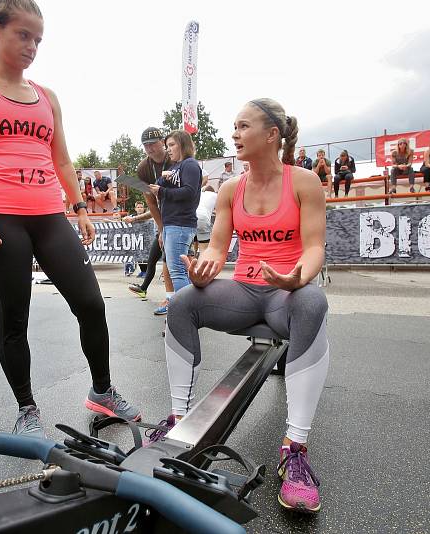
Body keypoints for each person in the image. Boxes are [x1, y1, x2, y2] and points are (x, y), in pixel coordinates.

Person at [0, 0, 141, 438]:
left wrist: (79, 208)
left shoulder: (47, 96)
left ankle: (103, 391)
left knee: (90, 303)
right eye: (23, 35)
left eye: (38, 39)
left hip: (49, 214)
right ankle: (27, 407)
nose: (32, 46)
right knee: (14, 318)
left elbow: (63, 160)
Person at [149, 98, 329, 513]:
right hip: (245, 292)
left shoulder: (303, 182)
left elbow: (316, 246)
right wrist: (202, 272)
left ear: (271, 135)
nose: (234, 134)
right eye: (233, 126)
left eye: (243, 126)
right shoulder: (231, 189)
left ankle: (295, 450)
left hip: (287, 294)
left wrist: (298, 277)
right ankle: (178, 419)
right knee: (182, 302)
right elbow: (216, 248)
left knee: (313, 302)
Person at [148, 130, 202, 312]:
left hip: (180, 224)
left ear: (183, 145)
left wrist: (162, 191)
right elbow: (158, 186)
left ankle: (182, 312)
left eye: (172, 145)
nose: (168, 149)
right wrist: (162, 181)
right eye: (167, 146)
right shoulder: (174, 168)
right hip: (174, 224)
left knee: (177, 270)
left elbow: (189, 192)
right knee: (181, 270)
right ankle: (188, 309)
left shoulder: (190, 165)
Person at [127, 127, 175, 314]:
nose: (149, 148)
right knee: (160, 256)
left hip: (180, 214)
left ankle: (177, 299)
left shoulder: (174, 158)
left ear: (162, 142)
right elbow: (150, 201)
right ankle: (156, 292)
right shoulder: (142, 168)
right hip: (164, 216)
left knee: (172, 259)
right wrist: (162, 228)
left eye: (153, 144)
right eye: (145, 145)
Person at [123, 201, 151, 276]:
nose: (139, 209)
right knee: (138, 255)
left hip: (146, 238)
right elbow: (123, 221)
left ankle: (146, 271)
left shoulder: (147, 216)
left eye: (141, 207)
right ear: (135, 209)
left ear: (144, 209)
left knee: (145, 255)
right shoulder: (132, 216)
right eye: (138, 207)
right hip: (136, 238)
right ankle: (142, 271)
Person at [195, 185, 218, 254]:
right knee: (204, 249)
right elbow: (219, 212)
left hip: (192, 217)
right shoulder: (216, 195)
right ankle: (202, 262)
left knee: (192, 246)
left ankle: (194, 257)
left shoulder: (199, 194)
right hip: (203, 218)